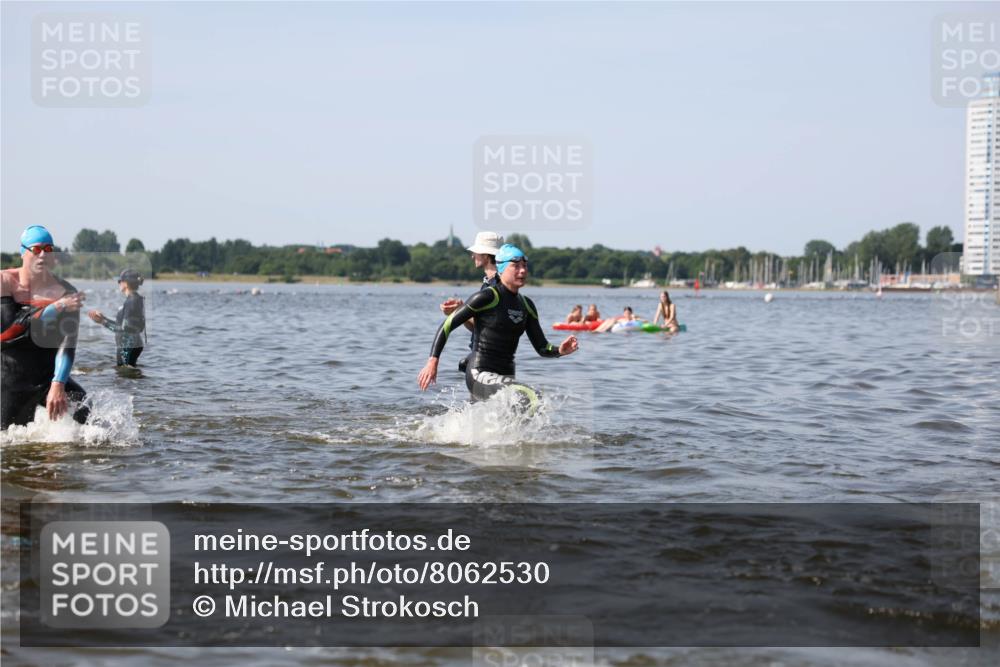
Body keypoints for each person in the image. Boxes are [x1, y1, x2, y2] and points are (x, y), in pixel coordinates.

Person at [418, 244, 578, 413]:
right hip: (479, 372)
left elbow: (542, 347)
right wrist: (432, 362)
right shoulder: (488, 296)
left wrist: (560, 350)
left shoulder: (527, 305)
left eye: (525, 265)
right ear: (501, 268)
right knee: (531, 397)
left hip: (506, 375)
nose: (523, 270)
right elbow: (447, 325)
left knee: (495, 421)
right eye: (516, 266)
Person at [1, 225, 89, 429]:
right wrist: (55, 307)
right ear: (23, 252)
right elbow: (7, 335)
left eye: (48, 250)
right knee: (10, 446)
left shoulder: (66, 291)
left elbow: (67, 346)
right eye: (37, 249)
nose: (42, 256)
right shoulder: (4, 282)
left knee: (86, 411)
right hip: (11, 379)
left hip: (47, 377)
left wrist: (58, 384)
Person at [439, 231, 504, 373]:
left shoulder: (496, 286)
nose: (472, 255)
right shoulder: (488, 284)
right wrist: (461, 311)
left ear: (486, 255)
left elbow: (490, 328)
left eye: (476, 252)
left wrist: (460, 311)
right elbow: (478, 328)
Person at [88, 269, 146, 366]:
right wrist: (103, 320)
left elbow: (126, 329)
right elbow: (127, 327)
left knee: (122, 376)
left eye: (119, 282)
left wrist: (103, 322)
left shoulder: (131, 302)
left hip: (126, 347)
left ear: (125, 284)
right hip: (132, 344)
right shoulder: (136, 299)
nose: (118, 284)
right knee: (128, 376)